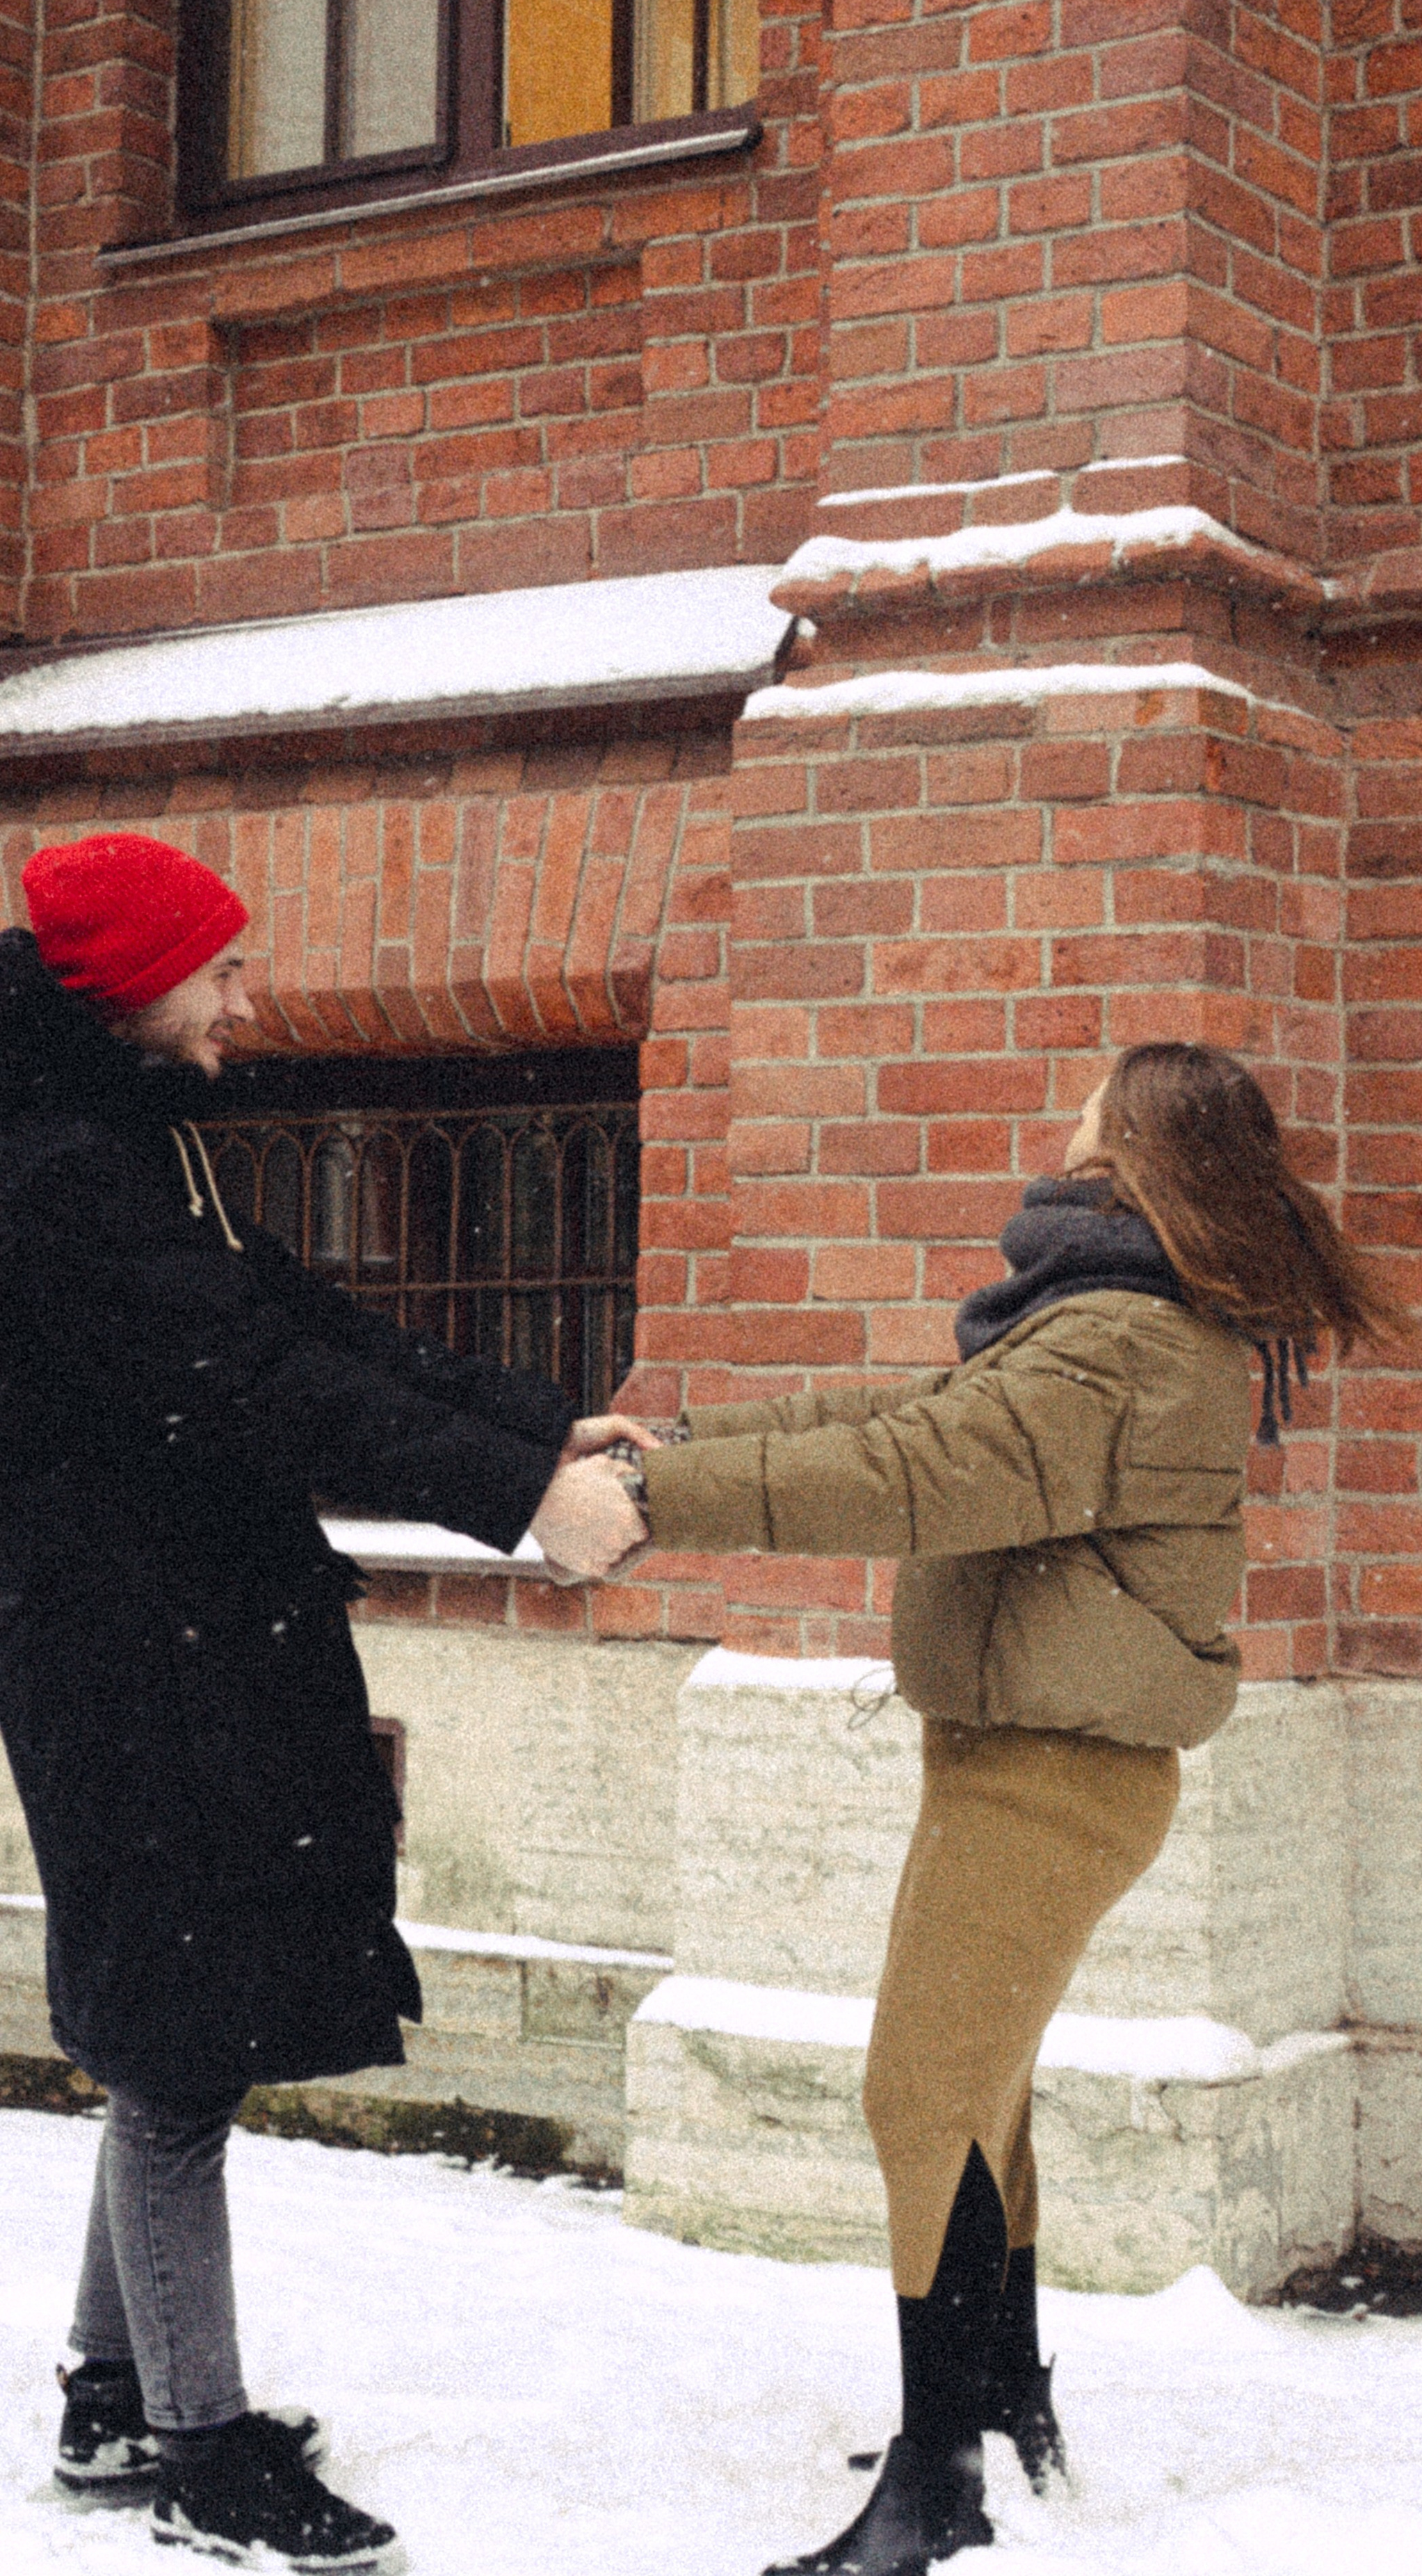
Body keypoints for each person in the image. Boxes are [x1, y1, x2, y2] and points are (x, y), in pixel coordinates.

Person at [569, 1042, 1399, 2576]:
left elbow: (926, 1466)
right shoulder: (1102, 1320)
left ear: (1139, 1142)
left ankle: (935, 2478)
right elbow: (922, 1414)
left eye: (1097, 1097)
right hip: (1030, 1754)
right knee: (979, 2089)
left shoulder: (1120, 1338)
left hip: (1051, 1769)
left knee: (920, 2093)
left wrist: (656, 1503)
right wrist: (685, 1444)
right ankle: (1003, 2401)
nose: (1069, 1114)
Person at [0, 833, 621, 2572]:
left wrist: (524, 1436)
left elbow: (298, 1317)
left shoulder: (128, 1144)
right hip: (122, 1651)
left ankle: (119, 2399)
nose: (247, 999)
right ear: (129, 984)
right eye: (223, 970)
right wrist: (511, 1511)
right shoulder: (53, 1173)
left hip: (190, 1630)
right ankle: (199, 2454)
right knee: (175, 2041)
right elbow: (252, 1385)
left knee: (174, 2025)